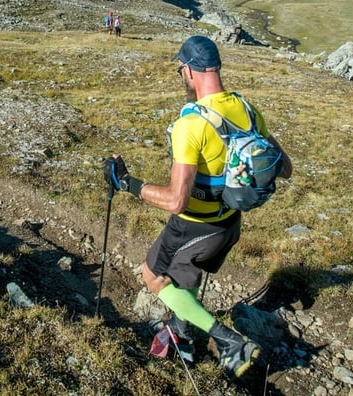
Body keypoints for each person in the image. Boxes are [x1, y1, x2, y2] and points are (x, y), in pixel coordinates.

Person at [103, 35, 292, 378]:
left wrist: (126, 182)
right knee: (185, 276)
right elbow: (285, 167)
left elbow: (177, 200)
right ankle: (182, 337)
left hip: (193, 226)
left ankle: (227, 339)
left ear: (189, 70)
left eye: (180, 71)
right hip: (230, 223)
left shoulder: (190, 125)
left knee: (153, 276)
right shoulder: (247, 109)